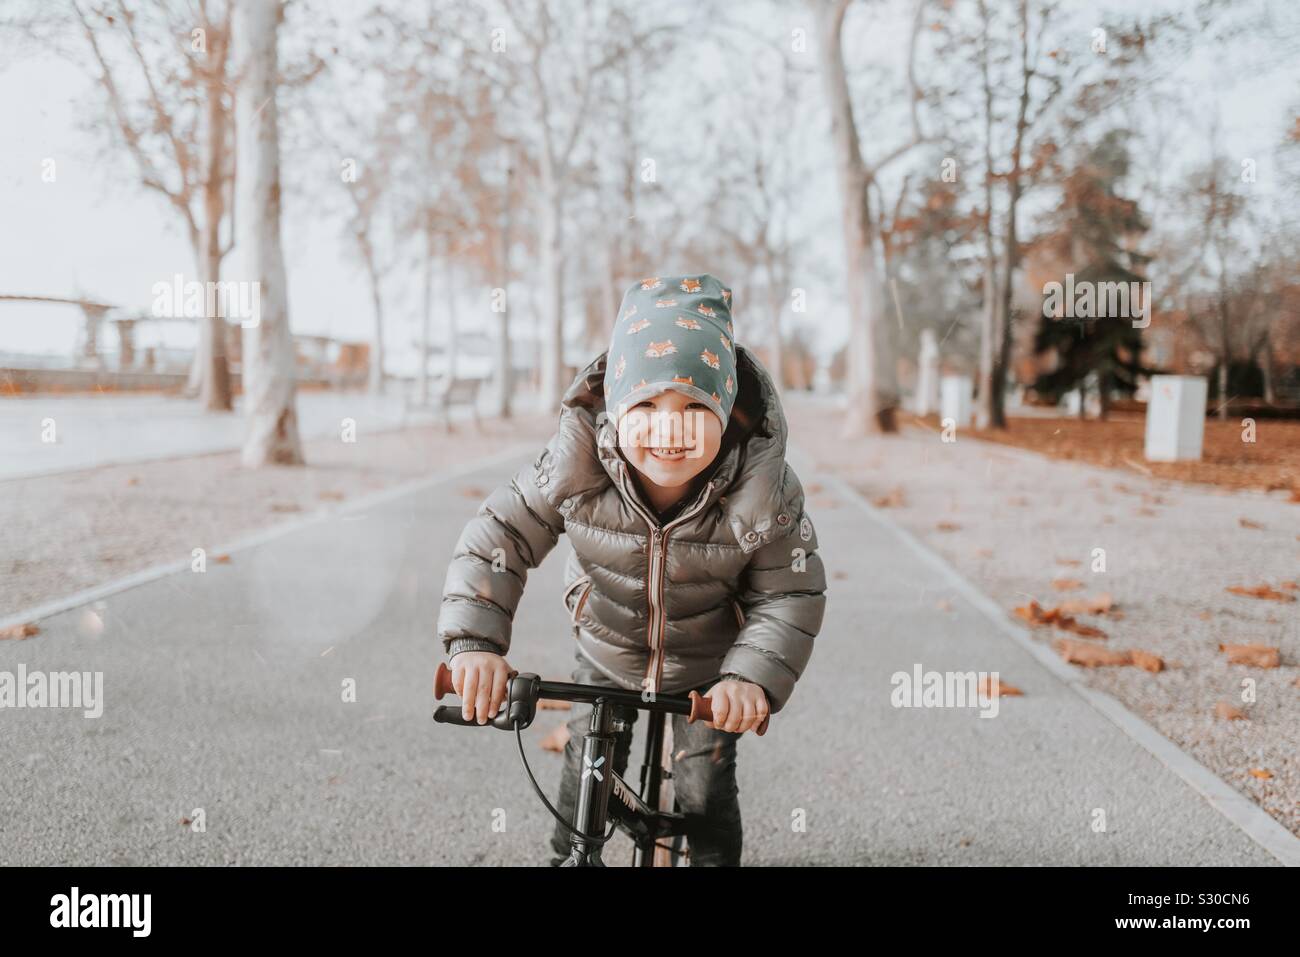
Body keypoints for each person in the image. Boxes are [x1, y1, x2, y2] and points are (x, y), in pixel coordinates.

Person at [435, 273, 828, 866]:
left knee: (704, 784)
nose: (669, 428)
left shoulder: (764, 490)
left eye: (695, 406)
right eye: (645, 403)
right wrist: (475, 644)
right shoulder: (575, 467)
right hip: (607, 646)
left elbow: (790, 594)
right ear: (615, 410)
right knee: (584, 769)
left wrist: (750, 678)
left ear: (726, 412)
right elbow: (501, 537)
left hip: (710, 667)